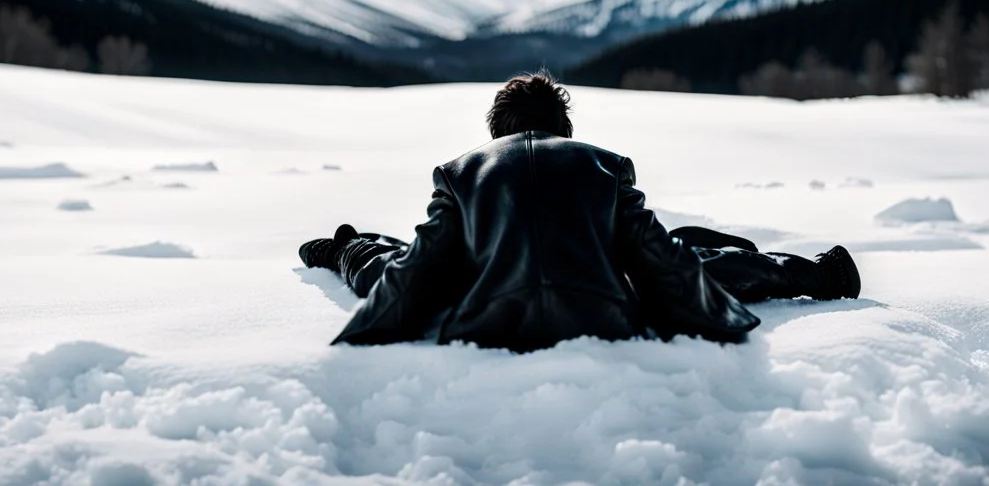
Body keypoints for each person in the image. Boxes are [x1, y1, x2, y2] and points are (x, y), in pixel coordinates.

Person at [300, 72, 860, 352]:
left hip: (485, 326)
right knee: (686, 253)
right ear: (563, 130)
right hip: (606, 322)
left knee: (400, 262)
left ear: (495, 133)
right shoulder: (604, 165)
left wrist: (367, 304)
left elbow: (411, 282)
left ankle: (348, 245)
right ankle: (817, 272)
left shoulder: (460, 172)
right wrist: (801, 280)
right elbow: (669, 267)